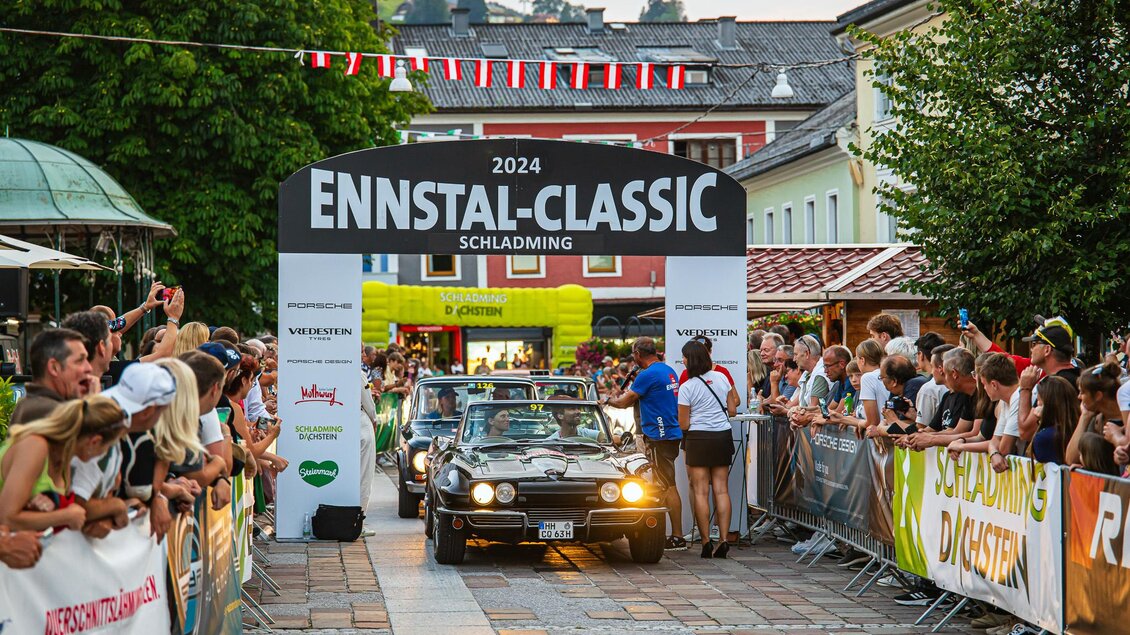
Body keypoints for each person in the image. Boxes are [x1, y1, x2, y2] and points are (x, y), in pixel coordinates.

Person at [603, 337, 685, 550]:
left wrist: (606, 401)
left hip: (658, 436)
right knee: (666, 484)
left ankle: (676, 536)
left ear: (638, 354)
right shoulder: (667, 370)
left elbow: (623, 402)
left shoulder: (647, 375)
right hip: (670, 432)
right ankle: (671, 534)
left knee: (667, 486)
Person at [0, 396, 128, 532]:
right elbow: (7, 519)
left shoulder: (64, 458)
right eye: (107, 447)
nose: (104, 452)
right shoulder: (35, 446)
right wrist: (63, 516)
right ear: (94, 442)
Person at [676, 340, 738, 559]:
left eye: (684, 357)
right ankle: (722, 539)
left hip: (698, 438)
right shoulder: (722, 378)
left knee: (701, 491)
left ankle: (705, 541)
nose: (682, 360)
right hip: (722, 436)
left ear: (690, 360)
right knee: (721, 489)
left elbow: (683, 424)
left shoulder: (687, 386)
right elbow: (732, 410)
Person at [10, 328, 93, 425]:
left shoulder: (29, 404)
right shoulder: (50, 412)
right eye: (80, 360)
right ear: (54, 367)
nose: (89, 368)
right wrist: (92, 406)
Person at [1067, 362, 1124, 466]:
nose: (1079, 397)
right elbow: (1071, 459)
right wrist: (1084, 417)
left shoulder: (1126, 417)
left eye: (1082, 392)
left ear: (1098, 395)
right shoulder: (1096, 419)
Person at [829, 339, 887, 432]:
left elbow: (872, 422)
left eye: (857, 357)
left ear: (862, 360)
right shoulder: (885, 373)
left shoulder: (868, 378)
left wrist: (846, 420)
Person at [1028, 376, 1079, 465]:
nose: (1037, 405)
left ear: (1047, 404)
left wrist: (1042, 420)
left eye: (1039, 400)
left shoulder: (1045, 437)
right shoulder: (1078, 428)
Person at [915, 343, 954, 430]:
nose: (931, 372)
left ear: (941, 369)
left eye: (932, 367)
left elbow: (922, 428)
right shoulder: (947, 395)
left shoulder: (928, 389)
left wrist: (893, 420)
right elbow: (931, 428)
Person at [756, 333, 784, 399]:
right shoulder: (769, 373)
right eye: (761, 350)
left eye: (766, 350)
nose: (762, 354)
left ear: (778, 350)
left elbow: (778, 405)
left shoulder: (787, 375)